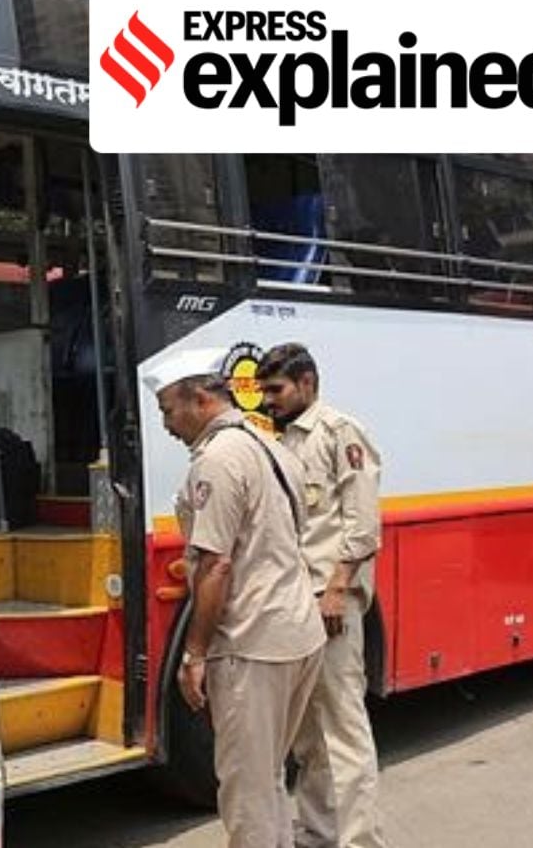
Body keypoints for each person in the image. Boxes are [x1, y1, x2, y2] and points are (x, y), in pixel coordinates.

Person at [147, 347, 325, 848]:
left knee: (246, 791)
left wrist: (195, 653)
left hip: (253, 642)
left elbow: (215, 564)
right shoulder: (270, 446)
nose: (165, 424)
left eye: (167, 410)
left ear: (200, 398)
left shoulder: (219, 459)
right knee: (266, 777)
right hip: (295, 632)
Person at [258, 343, 389, 848]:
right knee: (309, 731)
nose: (269, 400)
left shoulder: (339, 432)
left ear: (307, 382)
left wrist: (338, 588)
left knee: (343, 728)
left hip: (330, 600)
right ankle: (317, 831)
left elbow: (362, 524)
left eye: (277, 389)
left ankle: (359, 840)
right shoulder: (283, 440)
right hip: (297, 603)